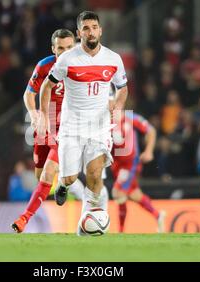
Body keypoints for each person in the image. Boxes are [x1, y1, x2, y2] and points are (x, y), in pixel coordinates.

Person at [37, 11, 128, 234]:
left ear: (100, 30)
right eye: (85, 28)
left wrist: (117, 104)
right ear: (79, 33)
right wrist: (43, 117)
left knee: (95, 173)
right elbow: (46, 86)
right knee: (69, 176)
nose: (90, 31)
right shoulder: (67, 59)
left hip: (99, 126)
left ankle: (86, 223)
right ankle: (63, 185)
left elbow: (123, 88)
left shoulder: (114, 59)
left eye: (94, 27)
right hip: (72, 126)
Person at [12, 29, 82, 232]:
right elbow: (28, 94)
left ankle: (24, 219)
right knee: (40, 175)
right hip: (45, 125)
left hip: (67, 127)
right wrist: (34, 114)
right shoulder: (44, 66)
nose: (66, 52)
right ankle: (63, 182)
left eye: (70, 47)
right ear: (53, 49)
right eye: (61, 48)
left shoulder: (81, 67)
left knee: (47, 174)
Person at [111, 110, 166, 233]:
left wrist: (149, 151)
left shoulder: (130, 117)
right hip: (117, 165)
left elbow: (151, 130)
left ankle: (120, 230)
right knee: (133, 193)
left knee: (118, 192)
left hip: (131, 164)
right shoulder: (105, 119)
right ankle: (158, 215)